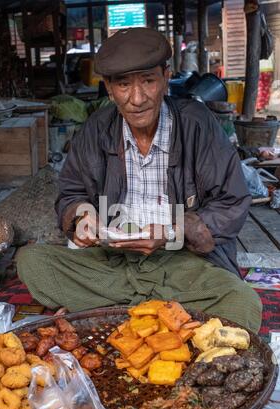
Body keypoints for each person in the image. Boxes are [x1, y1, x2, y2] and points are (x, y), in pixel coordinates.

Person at [17, 28, 262, 332]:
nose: (137, 98)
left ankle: (115, 312)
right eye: (123, 84)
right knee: (31, 262)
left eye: (148, 80)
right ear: (109, 88)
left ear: (166, 77)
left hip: (181, 263)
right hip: (113, 261)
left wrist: (175, 230)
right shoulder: (96, 129)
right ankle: (159, 314)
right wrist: (81, 214)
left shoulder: (197, 124)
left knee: (242, 302)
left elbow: (232, 201)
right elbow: (71, 192)